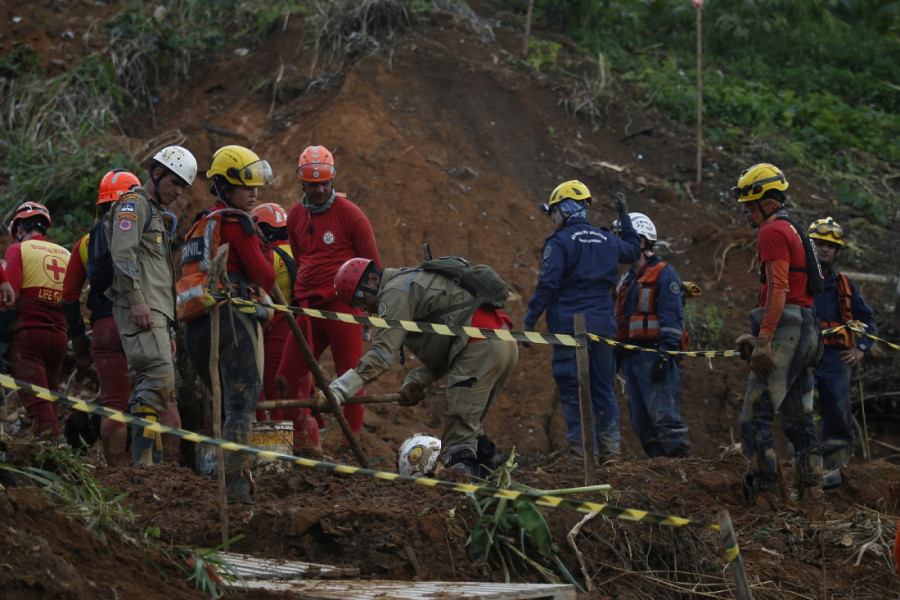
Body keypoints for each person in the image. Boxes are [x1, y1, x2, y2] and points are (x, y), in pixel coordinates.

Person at [330, 257, 518, 477]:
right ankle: (491, 476)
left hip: (480, 346)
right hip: (500, 343)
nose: (362, 307)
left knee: (457, 442)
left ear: (373, 279)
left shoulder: (394, 292)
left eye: (360, 297)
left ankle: (461, 498)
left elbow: (381, 357)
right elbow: (450, 352)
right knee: (469, 428)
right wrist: (416, 380)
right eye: (355, 305)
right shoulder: (408, 280)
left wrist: (338, 391)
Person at [523, 181, 641, 465]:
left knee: (572, 388)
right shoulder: (607, 240)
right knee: (602, 388)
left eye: (553, 212)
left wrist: (528, 322)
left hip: (569, 330)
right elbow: (634, 251)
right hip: (603, 329)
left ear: (564, 208)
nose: (552, 218)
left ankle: (583, 453)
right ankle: (611, 453)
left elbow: (548, 285)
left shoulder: (559, 242)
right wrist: (624, 217)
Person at [182, 145, 275, 504]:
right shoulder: (237, 221)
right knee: (241, 404)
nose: (253, 194)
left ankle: (223, 482)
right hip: (232, 321)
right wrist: (264, 248)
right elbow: (265, 277)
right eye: (246, 187)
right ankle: (237, 493)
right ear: (224, 187)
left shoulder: (199, 225)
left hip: (196, 327)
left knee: (222, 405)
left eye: (255, 186)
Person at [275, 145, 381, 455]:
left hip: (343, 309)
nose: (319, 190)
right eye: (313, 184)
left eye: (324, 183)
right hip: (307, 306)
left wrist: (367, 316)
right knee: (287, 376)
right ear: (302, 183)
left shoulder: (352, 216)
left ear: (333, 180)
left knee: (350, 376)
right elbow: (301, 259)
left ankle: (350, 449)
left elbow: (373, 268)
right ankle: (304, 446)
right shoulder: (295, 215)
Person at [733, 163, 825, 509]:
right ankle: (813, 496)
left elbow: (778, 287)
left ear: (763, 200)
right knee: (798, 416)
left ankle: (765, 496)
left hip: (788, 328)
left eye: (748, 204)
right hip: (809, 326)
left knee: (754, 414)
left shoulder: (771, 232)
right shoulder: (796, 229)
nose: (745, 212)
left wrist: (764, 339)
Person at [105, 145, 197, 466]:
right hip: (143, 308)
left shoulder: (154, 211)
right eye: (175, 183)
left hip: (157, 311)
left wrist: (168, 324)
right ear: (157, 174)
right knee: (156, 378)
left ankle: (149, 464)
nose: (178, 192)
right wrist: (137, 300)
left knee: (153, 382)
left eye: (183, 187)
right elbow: (123, 253)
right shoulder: (134, 203)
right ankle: (145, 465)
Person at [61, 169, 141, 464]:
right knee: (159, 400)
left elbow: (69, 296)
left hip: (105, 326)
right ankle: (165, 472)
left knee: (114, 403)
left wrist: (79, 339)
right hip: (140, 322)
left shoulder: (85, 242)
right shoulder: (144, 232)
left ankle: (118, 473)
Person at [613, 212, 692, 458]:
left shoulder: (664, 273)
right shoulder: (626, 280)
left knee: (664, 417)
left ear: (642, 241)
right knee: (642, 422)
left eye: (625, 239)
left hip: (656, 353)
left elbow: (672, 317)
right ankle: (660, 470)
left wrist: (665, 355)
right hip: (632, 357)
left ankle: (683, 470)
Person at [807, 217, 876, 485]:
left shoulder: (843, 285)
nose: (825, 249)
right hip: (804, 355)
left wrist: (861, 348)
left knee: (837, 410)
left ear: (837, 251)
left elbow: (867, 320)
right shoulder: (796, 279)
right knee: (798, 410)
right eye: (819, 243)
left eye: (830, 246)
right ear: (809, 245)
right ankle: (800, 466)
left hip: (836, 358)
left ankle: (835, 470)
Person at [2, 202, 70, 440]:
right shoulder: (66, 254)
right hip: (59, 338)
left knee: (40, 410)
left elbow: (9, 298)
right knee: (50, 401)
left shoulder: (17, 250)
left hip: (28, 339)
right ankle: (61, 460)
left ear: (19, 228)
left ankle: (48, 467)